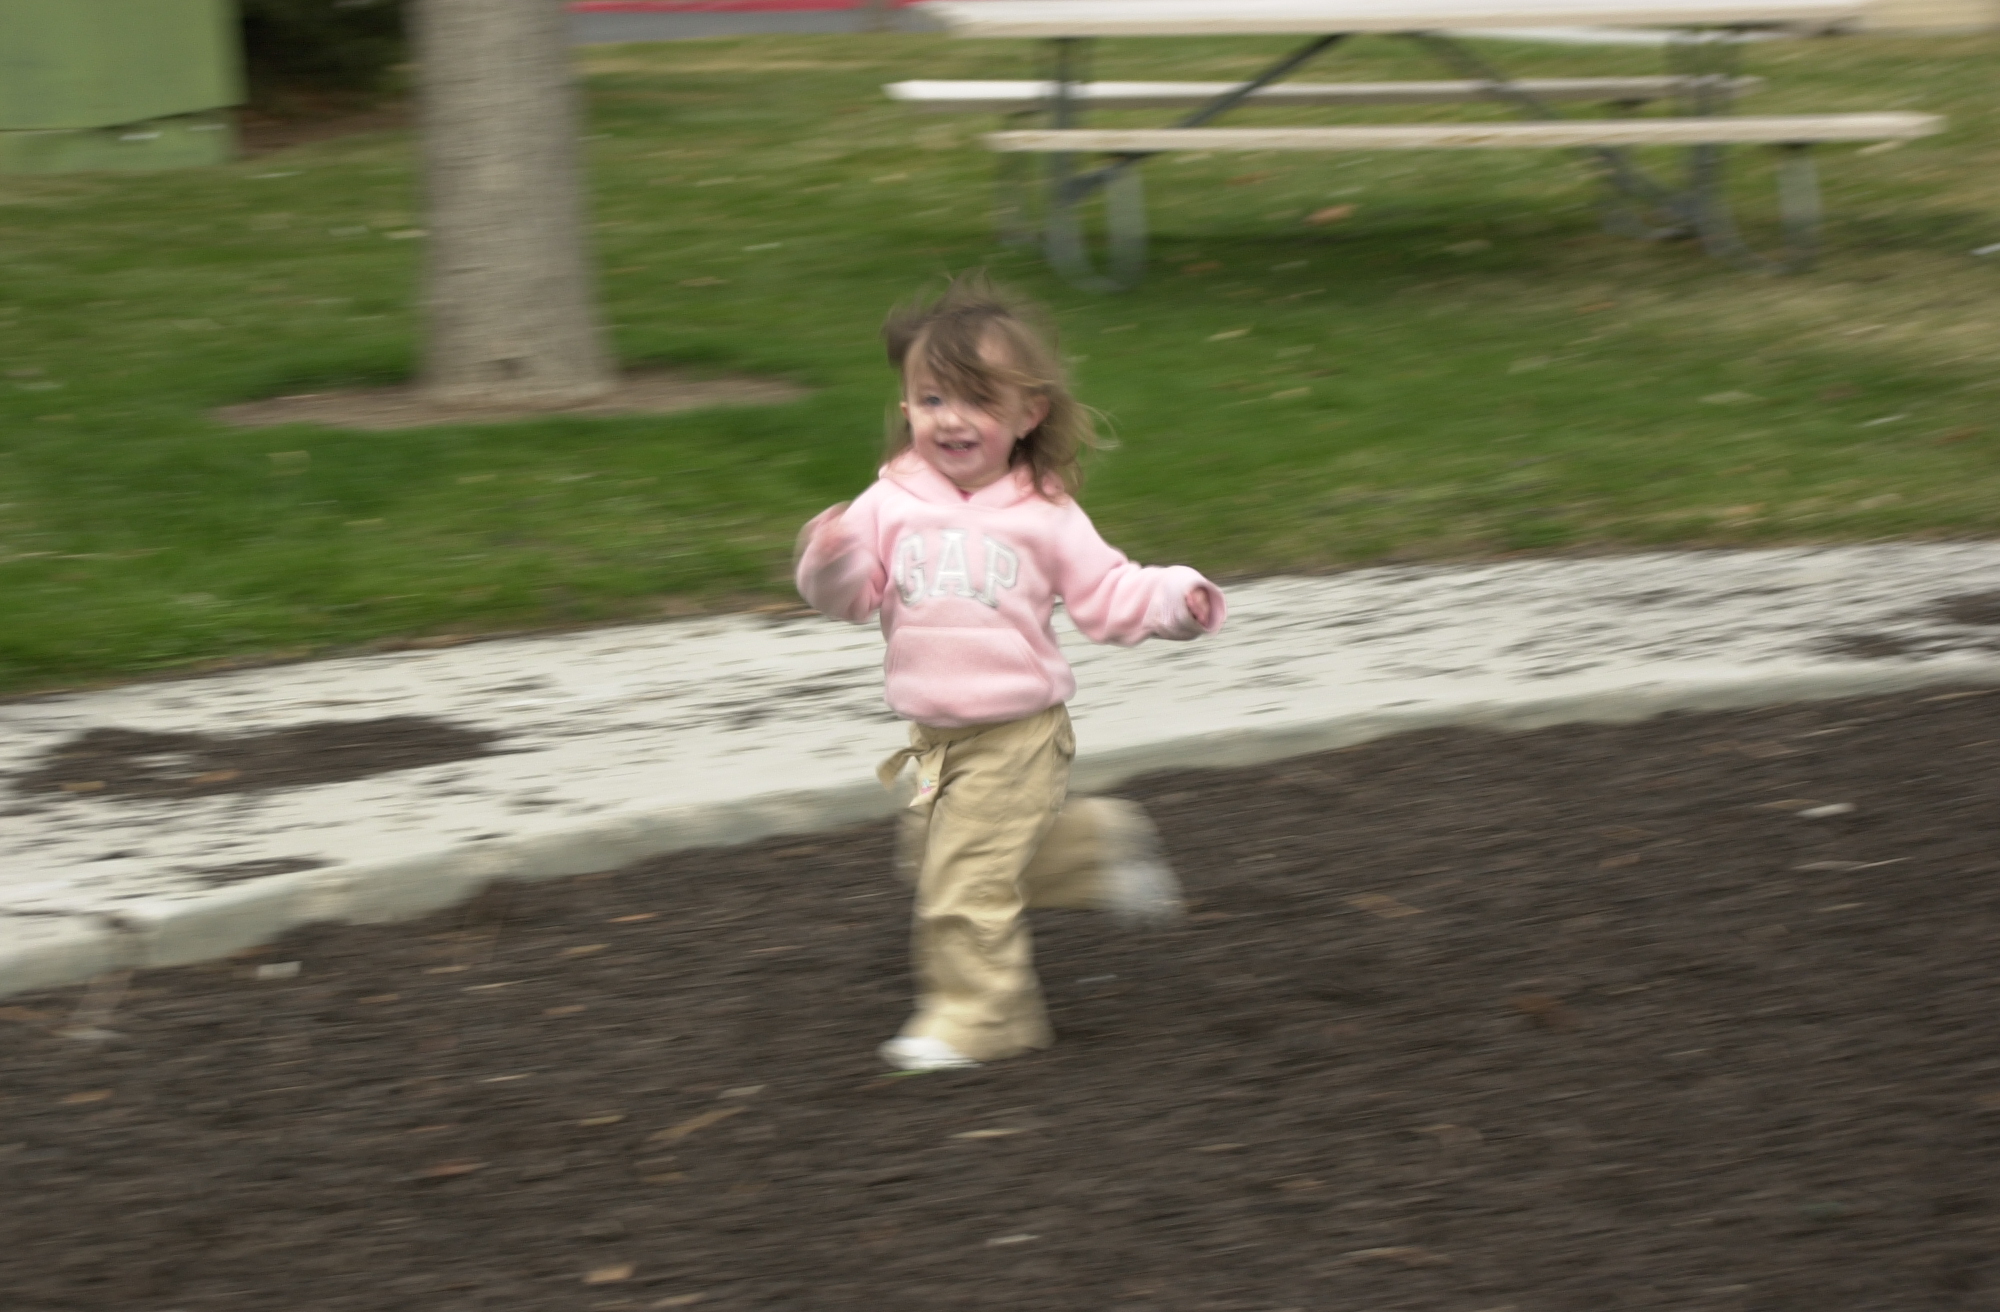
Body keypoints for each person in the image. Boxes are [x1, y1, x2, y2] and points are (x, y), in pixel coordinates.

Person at [794, 274, 1227, 1072]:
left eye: (977, 400)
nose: (951, 418)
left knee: (962, 880)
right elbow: (850, 599)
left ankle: (986, 1017)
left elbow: (1108, 593)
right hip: (934, 739)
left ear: (1029, 413)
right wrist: (830, 559)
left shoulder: (1045, 513)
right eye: (932, 399)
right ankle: (1093, 847)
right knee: (931, 859)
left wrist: (1174, 598)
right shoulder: (889, 503)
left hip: (1019, 736)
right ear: (906, 408)